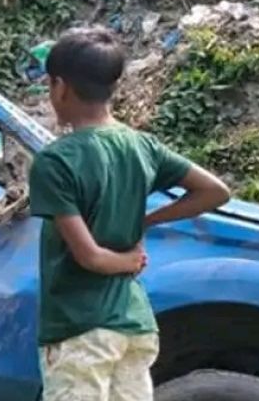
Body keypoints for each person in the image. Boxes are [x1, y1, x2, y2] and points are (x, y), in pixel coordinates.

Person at [29, 28, 231, 401]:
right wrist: (149, 220)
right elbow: (215, 191)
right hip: (134, 325)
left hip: (80, 327)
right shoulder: (142, 147)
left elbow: (91, 257)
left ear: (60, 87)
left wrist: (128, 260)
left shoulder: (56, 161)